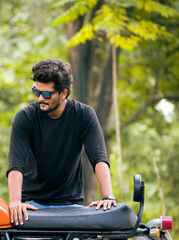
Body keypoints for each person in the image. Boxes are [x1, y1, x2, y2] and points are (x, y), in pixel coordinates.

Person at [7, 59, 117, 226]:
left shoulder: (84, 115)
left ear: (63, 93)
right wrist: (15, 201)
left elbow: (99, 158)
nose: (40, 99)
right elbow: (16, 165)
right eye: (37, 92)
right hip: (32, 204)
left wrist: (108, 196)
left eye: (46, 94)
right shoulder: (25, 118)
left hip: (70, 204)